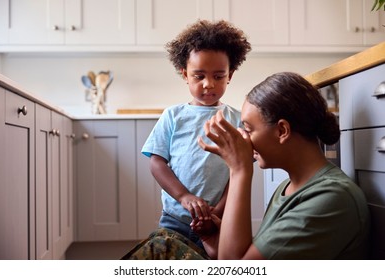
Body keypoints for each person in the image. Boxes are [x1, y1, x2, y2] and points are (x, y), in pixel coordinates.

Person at [122, 72, 370, 260]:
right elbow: (248, 253)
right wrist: (213, 237)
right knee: (161, 240)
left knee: (161, 248)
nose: (242, 137)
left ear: (282, 130)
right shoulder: (288, 187)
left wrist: (240, 170)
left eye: (248, 129)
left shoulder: (330, 199)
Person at [140, 19, 252, 248]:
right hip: (174, 219)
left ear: (230, 74)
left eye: (218, 76)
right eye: (199, 76)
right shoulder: (172, 116)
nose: (208, 84)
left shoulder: (238, 119)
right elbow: (157, 163)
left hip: (221, 218)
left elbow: (240, 170)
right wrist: (184, 197)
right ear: (185, 74)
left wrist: (217, 211)